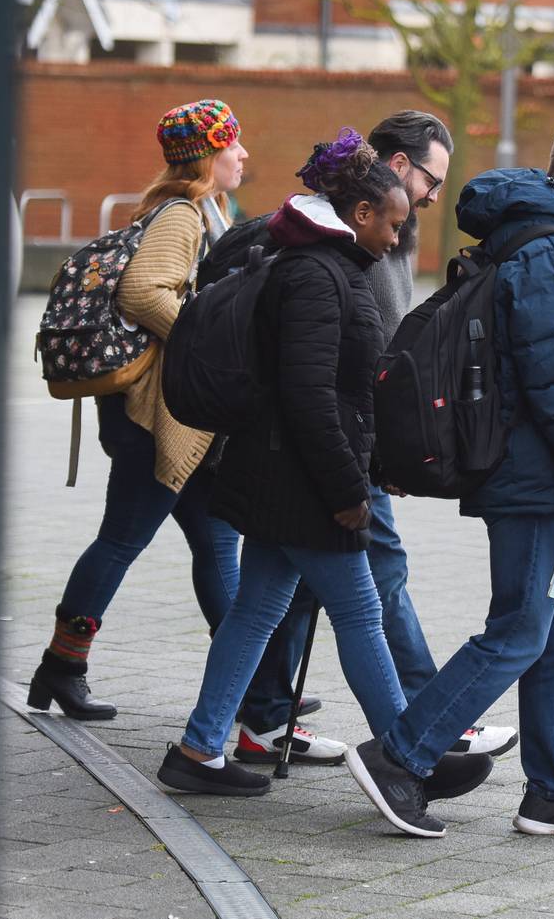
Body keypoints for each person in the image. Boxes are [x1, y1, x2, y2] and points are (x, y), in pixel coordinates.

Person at [155, 129, 493, 799]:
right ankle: (407, 759)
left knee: (256, 611)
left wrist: (375, 461)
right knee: (362, 615)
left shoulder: (322, 263)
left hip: (278, 474)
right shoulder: (315, 274)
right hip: (302, 483)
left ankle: (198, 749)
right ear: (361, 213)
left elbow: (337, 392)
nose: (398, 238)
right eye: (394, 223)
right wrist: (348, 486)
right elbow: (310, 398)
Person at [346, 115, 554, 839]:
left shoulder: (544, 237)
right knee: (520, 627)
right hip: (535, 474)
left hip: (547, 472)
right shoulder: (550, 248)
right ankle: (401, 755)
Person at [229, 112, 518, 767]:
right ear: (396, 166)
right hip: (338, 449)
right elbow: (338, 370)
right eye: (431, 180)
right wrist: (369, 456)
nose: (433, 197)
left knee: (283, 594)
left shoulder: (380, 233)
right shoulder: (339, 250)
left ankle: (254, 722)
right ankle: (419, 734)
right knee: (374, 584)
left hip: (336, 448)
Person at [26, 99, 246, 720]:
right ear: (208, 154)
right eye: (234, 143)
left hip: (172, 415)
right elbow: (142, 291)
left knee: (215, 542)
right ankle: (63, 666)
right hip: (155, 417)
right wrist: (205, 348)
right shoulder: (182, 216)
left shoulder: (195, 211)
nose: (243, 155)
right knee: (124, 539)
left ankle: (251, 685)